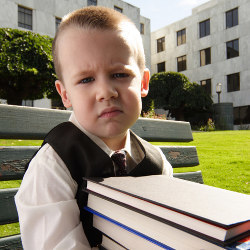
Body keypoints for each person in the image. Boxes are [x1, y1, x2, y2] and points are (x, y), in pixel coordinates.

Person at [15, 6, 173, 249]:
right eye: (86, 79)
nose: (106, 92)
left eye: (119, 74)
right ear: (65, 94)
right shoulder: (53, 167)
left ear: (143, 82)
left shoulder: (157, 163)